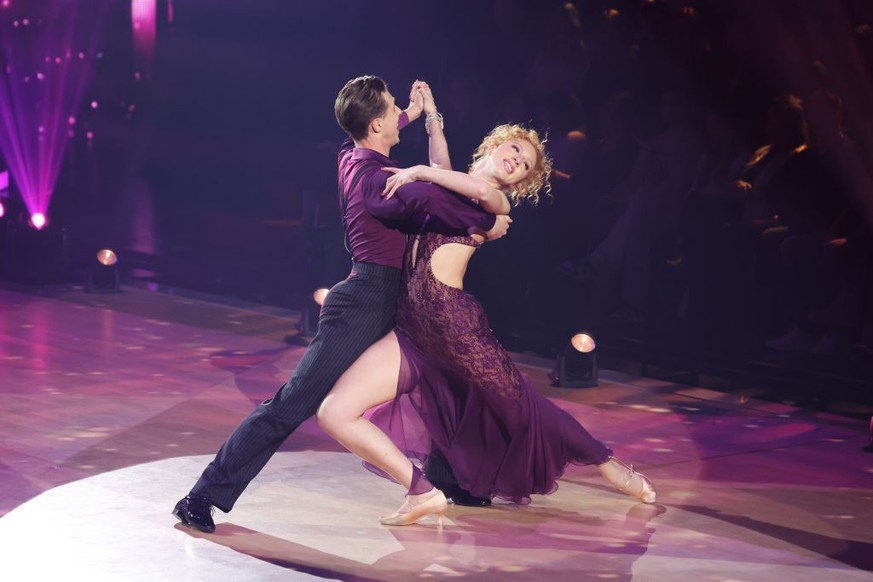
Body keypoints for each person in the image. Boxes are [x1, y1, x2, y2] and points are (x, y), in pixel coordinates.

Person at [173, 76, 511, 533]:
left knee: (440, 380)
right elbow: (450, 203)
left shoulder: (351, 154)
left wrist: (414, 110)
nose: (399, 116)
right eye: (393, 111)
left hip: (398, 295)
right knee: (292, 404)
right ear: (375, 126)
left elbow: (382, 127)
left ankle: (452, 480)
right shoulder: (384, 184)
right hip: (366, 302)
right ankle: (201, 497)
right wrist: (490, 222)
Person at [316, 86, 656, 526]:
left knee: (521, 406)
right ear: (496, 144)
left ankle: (611, 466)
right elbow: (445, 167)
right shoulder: (452, 185)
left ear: (520, 181)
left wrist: (419, 170)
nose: (517, 160)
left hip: (453, 324)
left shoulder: (495, 202)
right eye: (515, 149)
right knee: (341, 410)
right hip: (412, 327)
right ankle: (421, 491)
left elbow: (458, 180)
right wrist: (431, 116)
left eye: (526, 165)